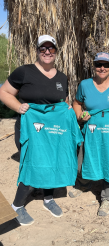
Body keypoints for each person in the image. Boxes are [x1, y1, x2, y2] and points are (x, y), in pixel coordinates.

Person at [0, 35, 70, 226]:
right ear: (37, 51)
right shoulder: (24, 72)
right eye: (43, 49)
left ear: (56, 51)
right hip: (29, 129)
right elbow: (4, 92)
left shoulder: (62, 77)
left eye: (51, 49)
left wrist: (67, 108)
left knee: (52, 161)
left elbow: (59, 103)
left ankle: (48, 199)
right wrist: (17, 107)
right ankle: (17, 205)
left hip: (52, 131)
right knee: (32, 164)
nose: (47, 52)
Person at [69, 52, 109, 216]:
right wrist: (80, 115)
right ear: (93, 66)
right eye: (98, 64)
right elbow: (76, 103)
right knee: (83, 159)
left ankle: (107, 199)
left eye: (106, 65)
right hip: (91, 129)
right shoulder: (85, 84)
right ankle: (83, 185)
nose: (102, 68)